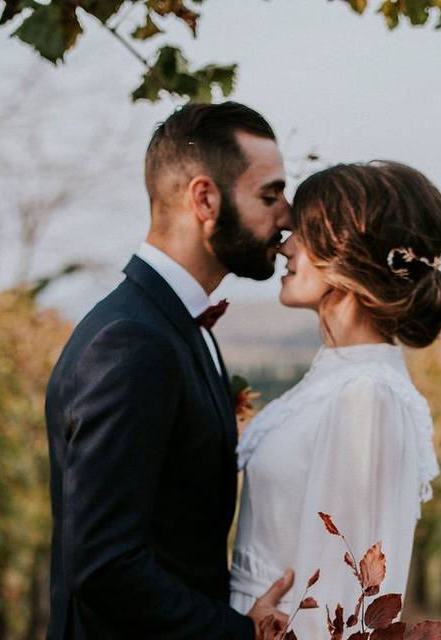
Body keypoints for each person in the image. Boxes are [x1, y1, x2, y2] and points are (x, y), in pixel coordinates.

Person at [45, 102, 294, 639]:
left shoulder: (181, 325)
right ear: (205, 198)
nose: (288, 216)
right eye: (269, 195)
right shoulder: (131, 342)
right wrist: (239, 635)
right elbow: (105, 565)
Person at [229, 161, 441, 638]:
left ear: (347, 253)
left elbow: (347, 596)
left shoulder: (366, 396)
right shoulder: (337, 379)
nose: (286, 246)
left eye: (304, 234)